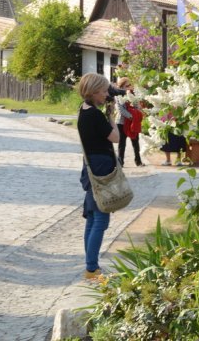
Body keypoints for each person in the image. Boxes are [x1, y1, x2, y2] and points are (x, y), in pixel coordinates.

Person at [77, 73, 120, 280]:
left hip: (91, 167)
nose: (106, 94)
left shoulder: (84, 110)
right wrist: (111, 117)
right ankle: (91, 268)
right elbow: (116, 137)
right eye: (103, 91)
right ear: (93, 92)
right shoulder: (94, 115)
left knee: (93, 217)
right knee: (101, 219)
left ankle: (91, 265)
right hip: (101, 169)